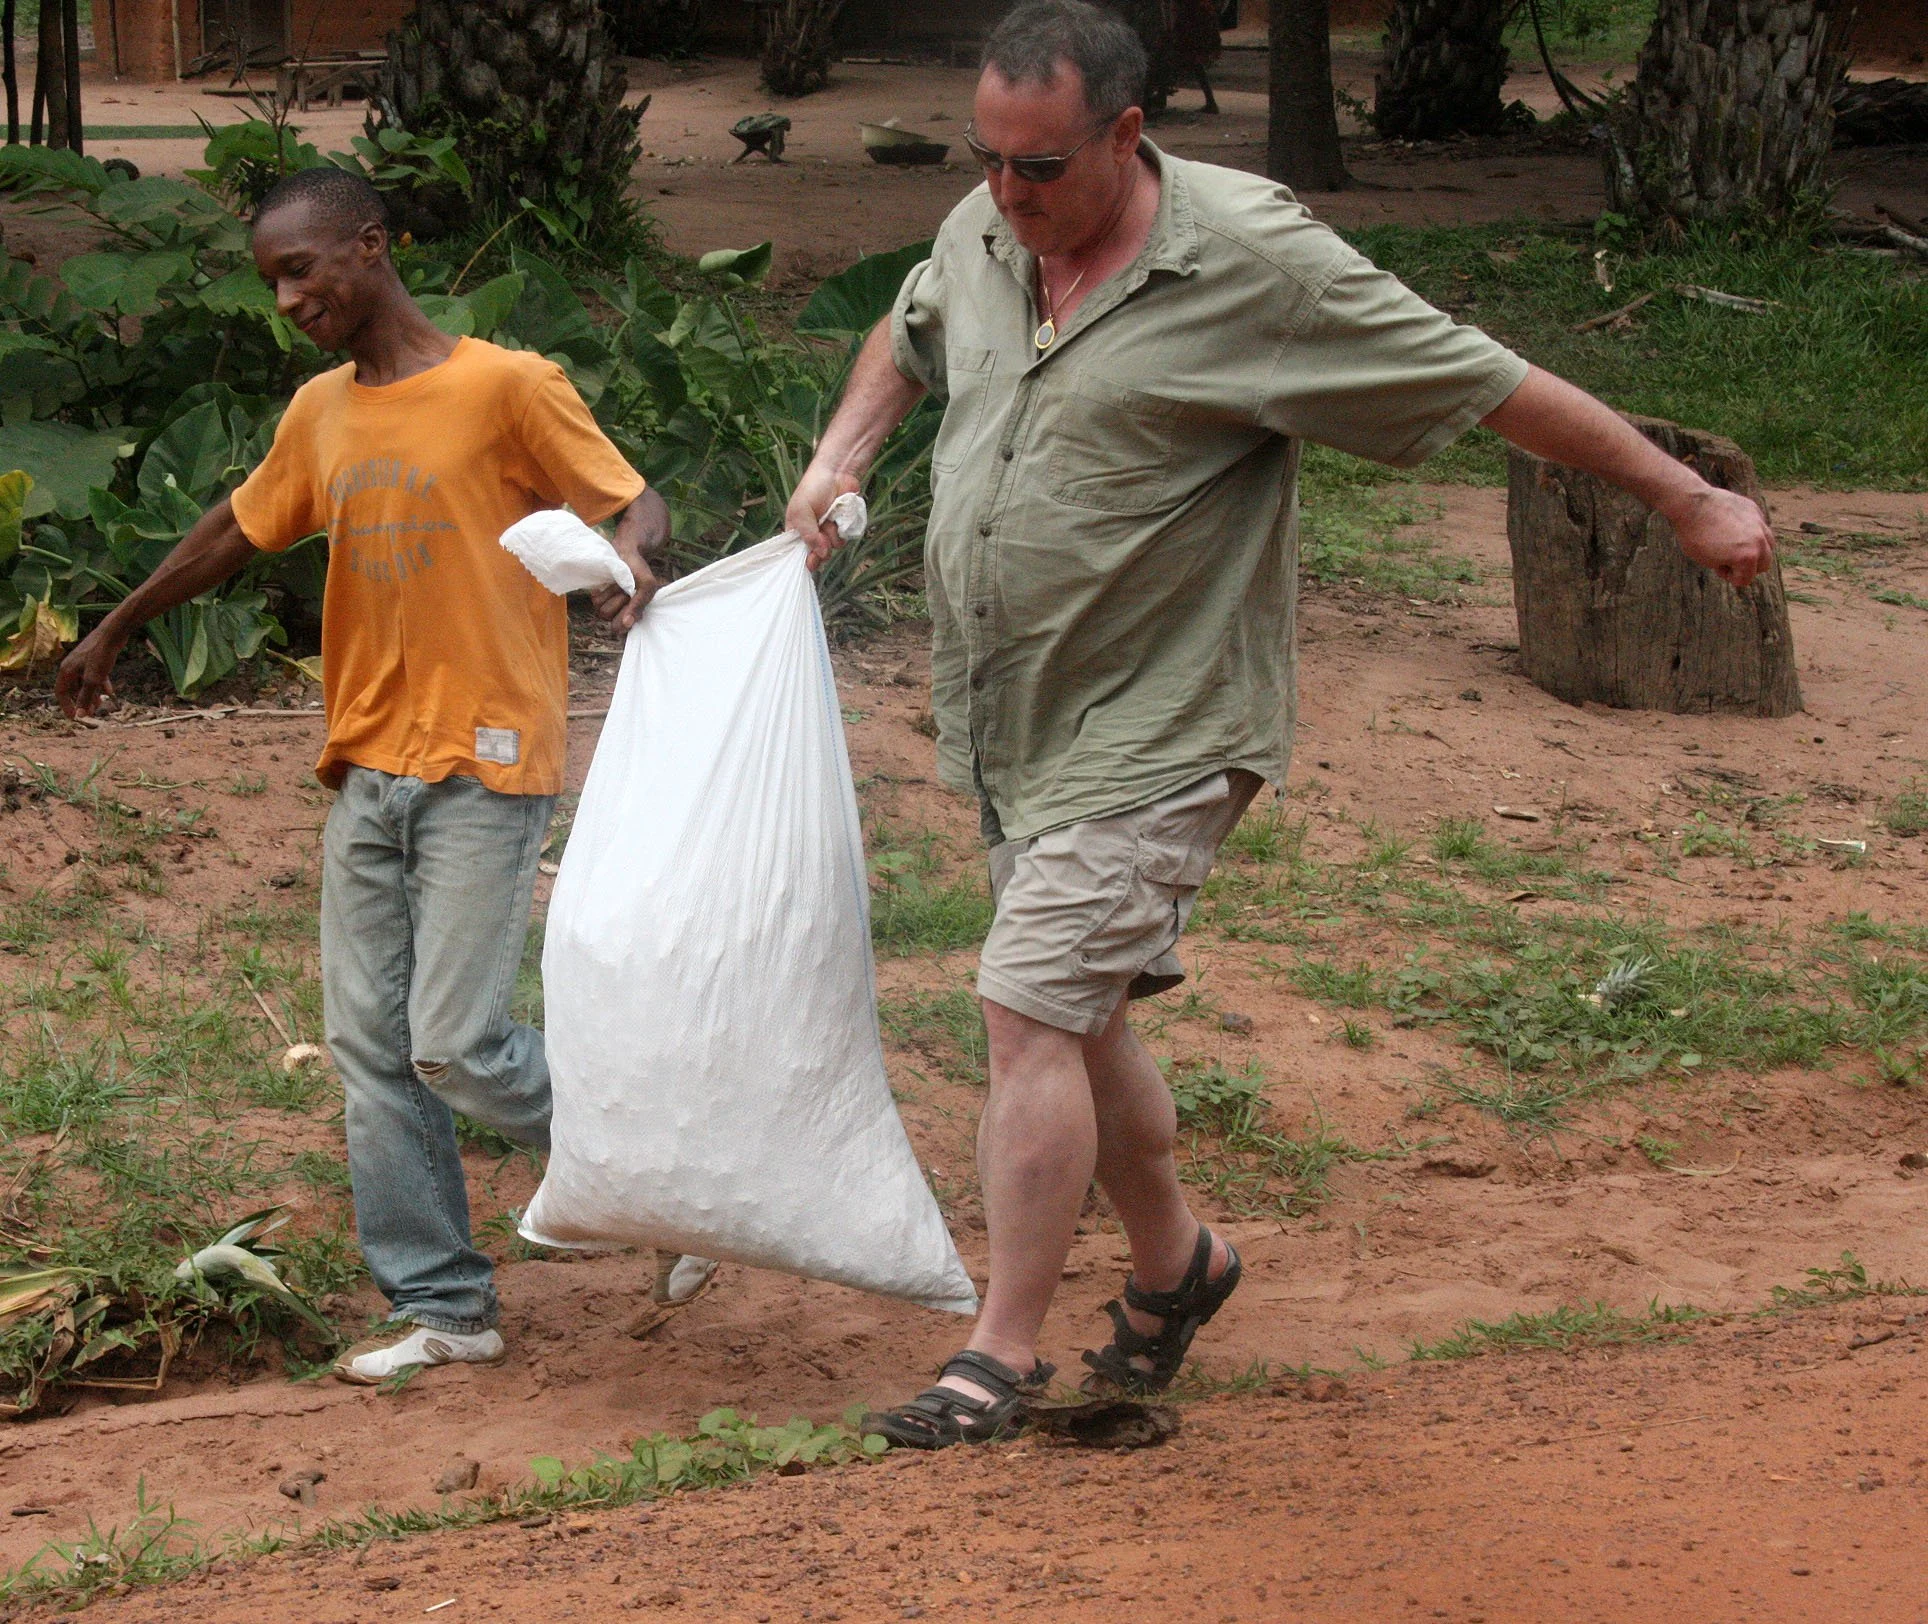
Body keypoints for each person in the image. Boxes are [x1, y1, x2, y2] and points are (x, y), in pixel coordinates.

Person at [786, 0, 1773, 1448]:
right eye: (987, 160)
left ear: (1128, 133)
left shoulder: (1257, 268)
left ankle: (998, 1355)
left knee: (1024, 1007)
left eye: (1040, 167)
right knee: (1085, 1005)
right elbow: (914, 323)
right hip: (1017, 714)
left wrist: (1681, 497)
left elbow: (1480, 378)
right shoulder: (994, 223)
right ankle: (1179, 1267)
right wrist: (839, 453)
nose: (1007, 193)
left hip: (1168, 723)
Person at [56, 167, 716, 1386]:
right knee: (371, 1050)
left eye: (303, 269)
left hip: (487, 754)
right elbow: (232, 527)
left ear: (370, 246)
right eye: (273, 282)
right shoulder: (321, 412)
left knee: (454, 1044)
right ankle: (448, 1306)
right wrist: (117, 623)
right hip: (365, 762)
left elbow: (633, 499)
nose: (288, 298)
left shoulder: (507, 386)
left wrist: (632, 555)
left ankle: (674, 1177)